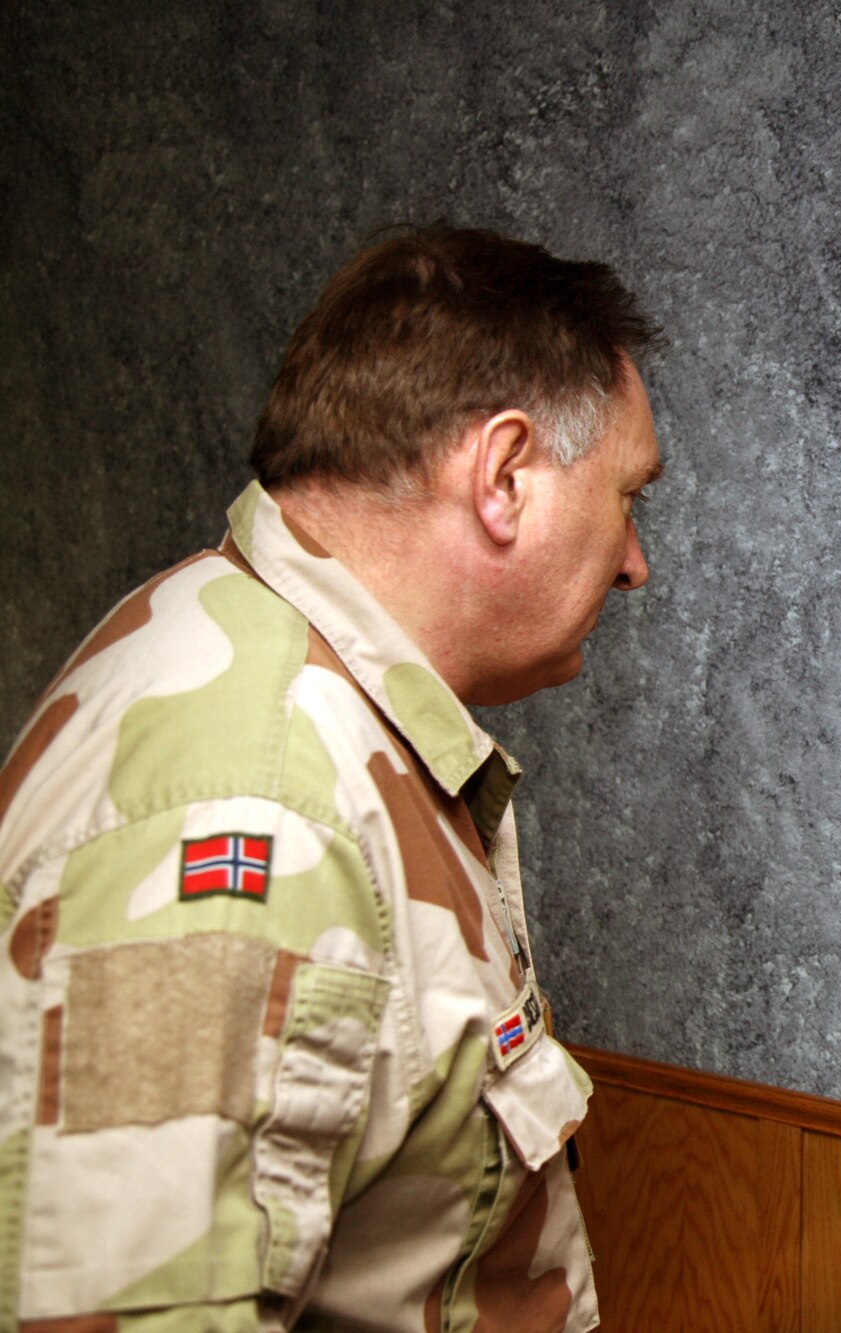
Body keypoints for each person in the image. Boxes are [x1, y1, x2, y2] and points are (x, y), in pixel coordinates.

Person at [0, 227, 661, 1331]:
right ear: (504, 477)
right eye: (628, 494)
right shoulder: (257, 804)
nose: (635, 559)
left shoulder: (285, 679)